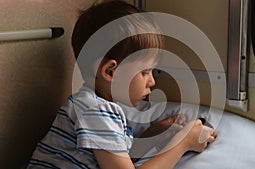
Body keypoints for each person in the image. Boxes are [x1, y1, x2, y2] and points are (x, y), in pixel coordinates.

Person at [27, 0, 217, 168]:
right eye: (144, 72)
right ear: (110, 72)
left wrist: (155, 134)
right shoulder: (96, 111)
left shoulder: (95, 106)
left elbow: (116, 156)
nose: (152, 81)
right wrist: (182, 144)